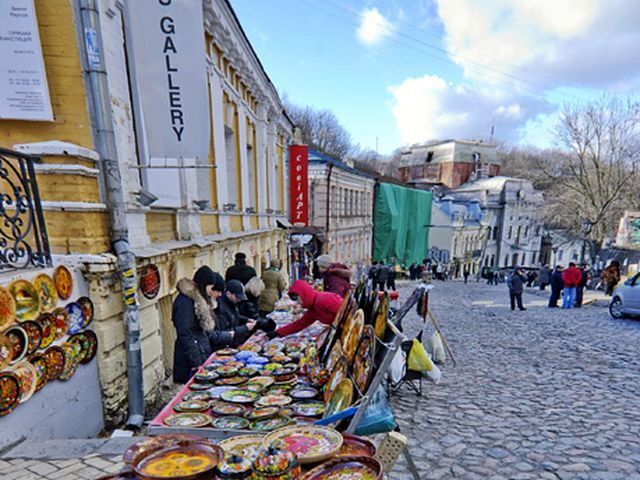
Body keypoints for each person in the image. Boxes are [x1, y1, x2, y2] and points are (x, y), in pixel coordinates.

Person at [171, 266, 225, 384]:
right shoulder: (185, 302)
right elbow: (185, 333)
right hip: (189, 360)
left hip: (200, 353)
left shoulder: (198, 300)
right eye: (210, 287)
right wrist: (196, 363)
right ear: (203, 285)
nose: (211, 290)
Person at [268, 280, 342, 338]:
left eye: (297, 299)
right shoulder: (313, 309)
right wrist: (278, 333)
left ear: (304, 294)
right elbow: (300, 324)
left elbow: (345, 312)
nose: (297, 302)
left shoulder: (325, 299)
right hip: (341, 330)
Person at [214, 279, 257, 348]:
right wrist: (245, 328)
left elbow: (234, 315)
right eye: (237, 296)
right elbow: (226, 330)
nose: (239, 299)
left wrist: (246, 320)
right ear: (228, 293)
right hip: (225, 345)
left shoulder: (231, 303)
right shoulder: (221, 308)